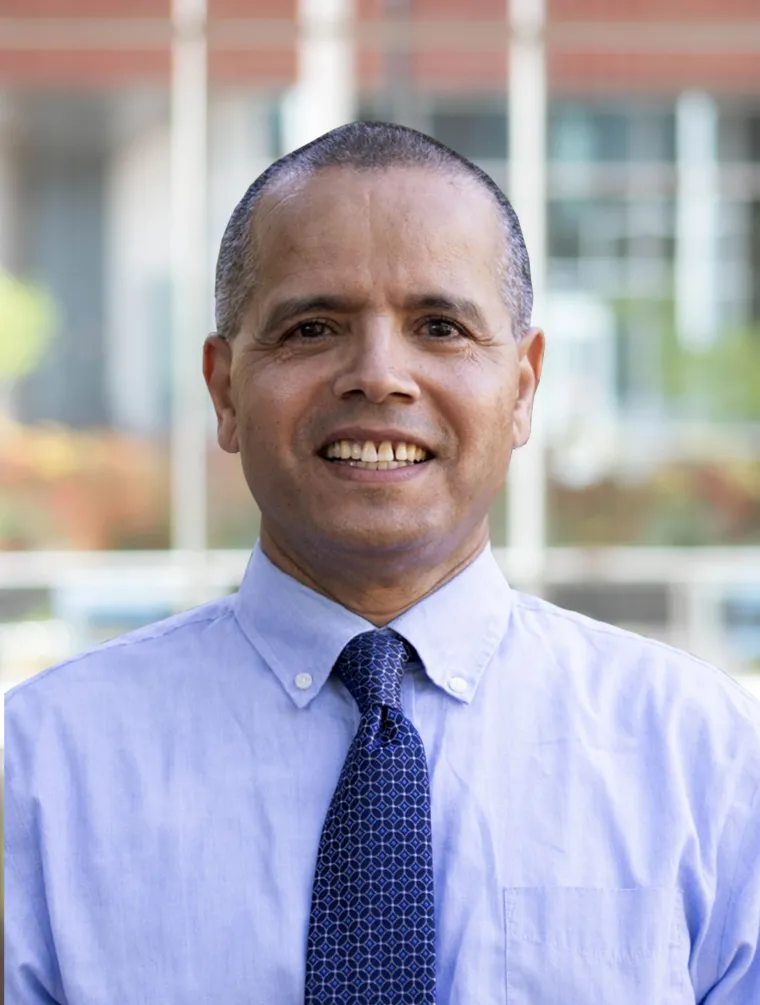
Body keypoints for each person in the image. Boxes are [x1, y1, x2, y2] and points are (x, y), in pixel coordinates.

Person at [4, 121, 759, 1005]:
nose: (377, 375)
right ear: (224, 390)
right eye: (313, 327)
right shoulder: (40, 770)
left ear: (522, 388)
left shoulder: (700, 753)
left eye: (439, 325)